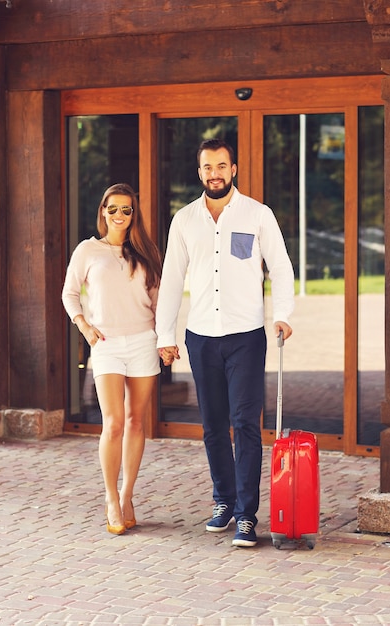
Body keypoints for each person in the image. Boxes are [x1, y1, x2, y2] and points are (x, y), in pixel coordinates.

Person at [156, 139, 294, 548]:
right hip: (200, 338)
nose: (214, 172)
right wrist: (165, 336)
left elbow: (282, 268)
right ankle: (223, 501)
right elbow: (171, 280)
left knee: (246, 424)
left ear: (233, 169)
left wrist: (283, 314)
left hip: (246, 337)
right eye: (207, 166)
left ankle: (246, 517)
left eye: (221, 165)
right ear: (199, 172)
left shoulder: (257, 215)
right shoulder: (184, 220)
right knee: (214, 426)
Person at [62, 183, 161, 535]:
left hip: (142, 342)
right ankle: (109, 498)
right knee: (114, 423)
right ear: (103, 211)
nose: (119, 215)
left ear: (134, 214)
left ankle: (127, 494)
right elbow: (69, 293)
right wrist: (84, 326)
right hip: (105, 344)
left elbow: (158, 298)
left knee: (136, 422)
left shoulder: (145, 251)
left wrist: (165, 340)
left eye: (127, 210)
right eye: (113, 208)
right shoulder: (88, 250)